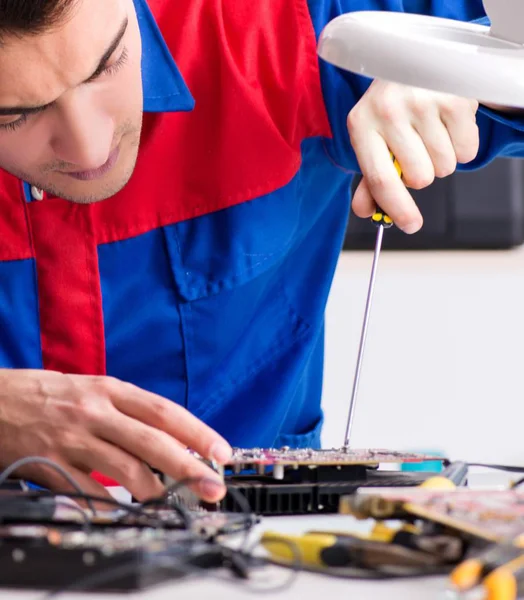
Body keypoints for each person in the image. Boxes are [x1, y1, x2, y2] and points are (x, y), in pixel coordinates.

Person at [0, 0, 521, 504]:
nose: (90, 149)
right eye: (13, 116)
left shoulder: (285, 16)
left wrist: (477, 71)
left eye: (107, 64)